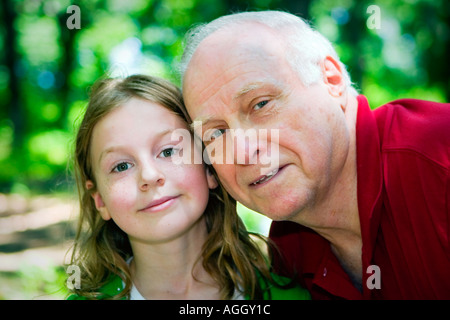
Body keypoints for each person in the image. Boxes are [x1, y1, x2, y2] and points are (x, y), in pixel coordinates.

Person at [178, 11, 450, 299]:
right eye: (217, 134)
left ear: (331, 80)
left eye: (260, 105)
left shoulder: (439, 158)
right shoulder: (289, 253)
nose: (243, 152)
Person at [66, 74, 310, 300]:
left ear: (208, 168)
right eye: (121, 166)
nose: (150, 176)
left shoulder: (291, 296)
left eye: (169, 151)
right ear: (100, 200)